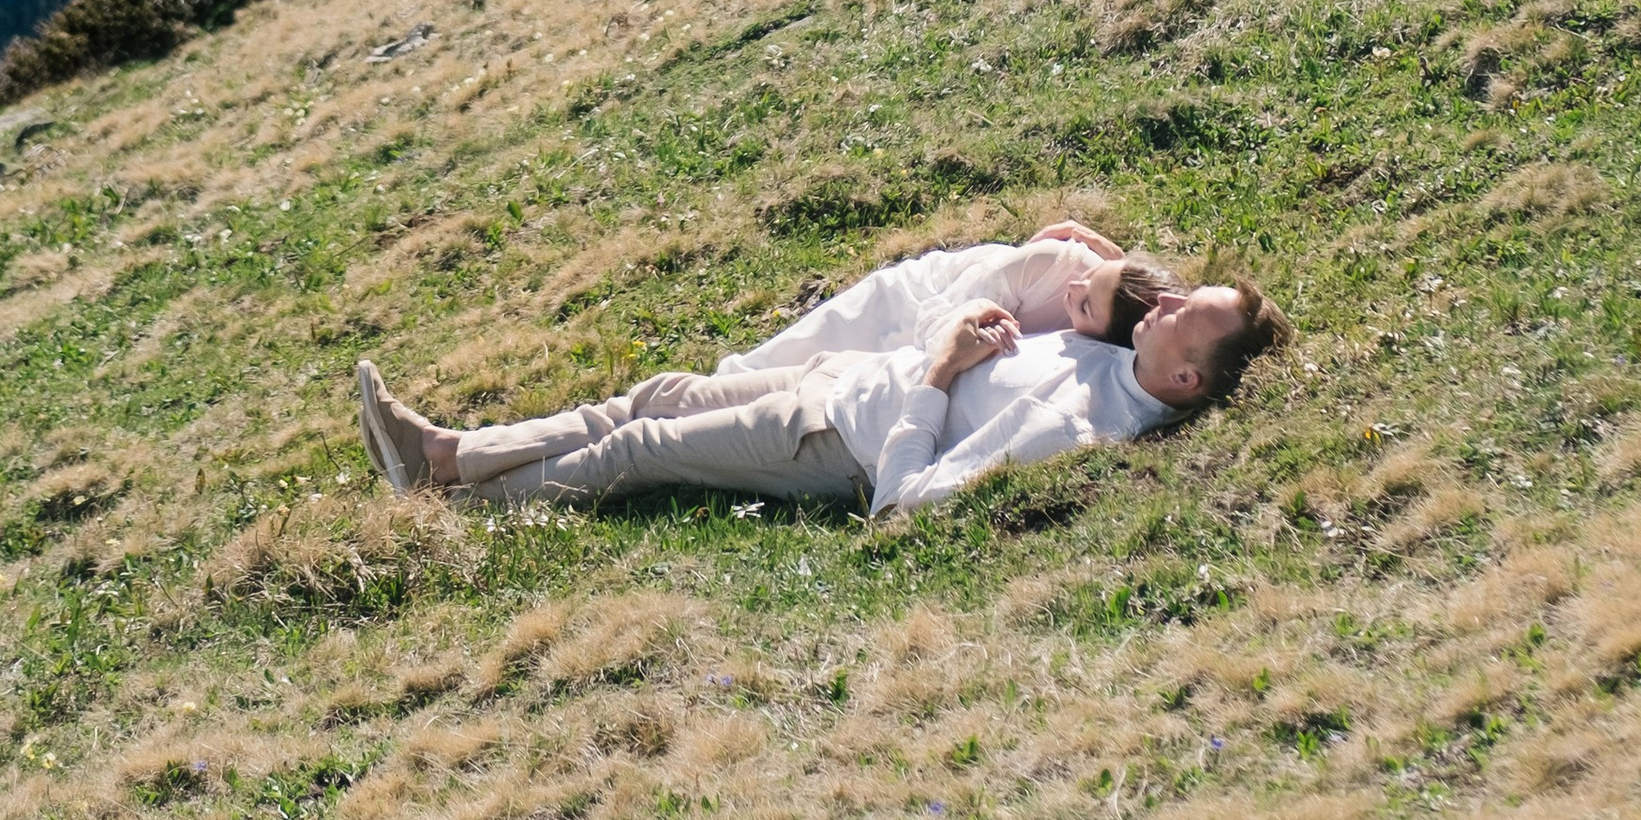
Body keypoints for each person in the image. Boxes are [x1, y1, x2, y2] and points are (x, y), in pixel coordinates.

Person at [356, 228, 1289, 520]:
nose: (1168, 303)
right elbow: (1115, 294)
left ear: (1187, 382)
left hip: (835, 441)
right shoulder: (1123, 361)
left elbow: (907, 501)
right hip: (847, 379)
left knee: (640, 448)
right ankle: (448, 454)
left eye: (1184, 315)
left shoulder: (1082, 422)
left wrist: (941, 370)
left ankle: (455, 506)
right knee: (655, 394)